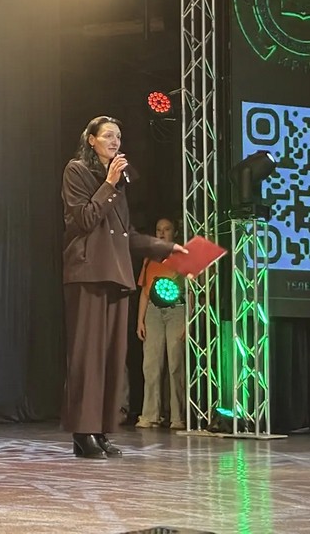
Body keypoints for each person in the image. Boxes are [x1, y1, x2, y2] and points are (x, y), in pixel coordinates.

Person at [60, 116, 188, 459]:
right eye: (107, 135)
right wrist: (109, 183)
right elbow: (84, 219)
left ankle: (100, 430)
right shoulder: (76, 171)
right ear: (91, 140)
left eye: (118, 136)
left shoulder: (119, 184)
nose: (115, 141)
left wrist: (166, 248)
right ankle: (83, 432)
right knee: (88, 356)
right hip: (88, 273)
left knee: (111, 359)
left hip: (116, 275)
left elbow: (126, 235)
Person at [136, 217, 187, 431]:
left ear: (174, 232)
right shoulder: (150, 258)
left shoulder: (182, 256)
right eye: (158, 230)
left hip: (176, 309)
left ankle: (177, 416)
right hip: (153, 311)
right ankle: (150, 415)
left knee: (175, 363)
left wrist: (188, 321)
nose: (162, 233)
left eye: (166, 229)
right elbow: (144, 291)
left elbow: (193, 291)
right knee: (151, 364)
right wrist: (140, 320)